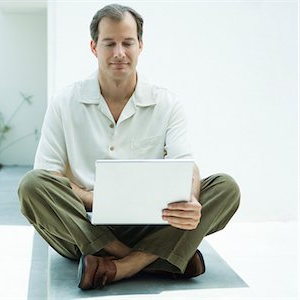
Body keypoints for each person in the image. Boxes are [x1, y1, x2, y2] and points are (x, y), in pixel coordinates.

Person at [18, 3, 240, 290]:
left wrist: (191, 200)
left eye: (128, 43)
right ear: (93, 47)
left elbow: (187, 166)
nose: (119, 53)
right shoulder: (65, 102)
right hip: (84, 227)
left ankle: (119, 267)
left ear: (140, 46)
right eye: (109, 43)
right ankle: (158, 258)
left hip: (154, 224)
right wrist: (95, 199)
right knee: (31, 186)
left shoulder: (167, 104)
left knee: (225, 188)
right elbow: (48, 176)